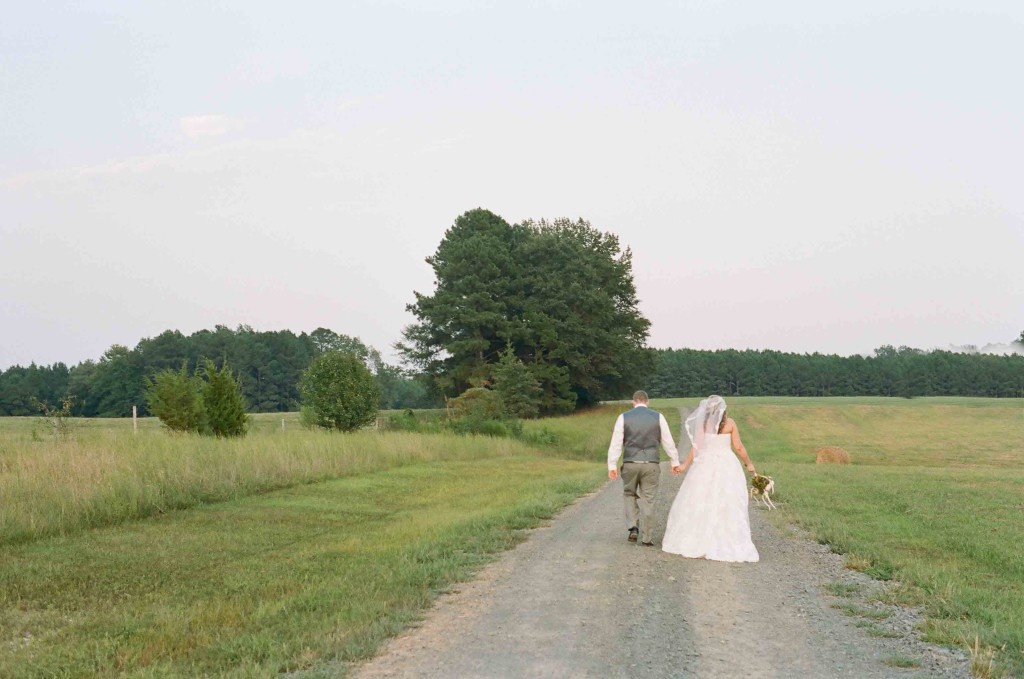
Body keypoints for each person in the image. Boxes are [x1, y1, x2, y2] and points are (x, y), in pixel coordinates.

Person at [662, 395, 760, 562]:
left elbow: (697, 446)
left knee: (701, 499)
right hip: (727, 465)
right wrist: (749, 465)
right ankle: (727, 538)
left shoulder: (704, 425)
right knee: (728, 500)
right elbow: (738, 447)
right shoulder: (730, 424)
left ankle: (699, 537)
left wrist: (685, 465)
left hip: (705, 464)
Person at [607, 390, 682, 546]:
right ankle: (647, 537)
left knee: (629, 494)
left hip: (630, 463)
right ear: (648, 402)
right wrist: (674, 461)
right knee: (648, 499)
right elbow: (667, 441)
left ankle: (633, 527)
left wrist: (612, 465)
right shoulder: (658, 417)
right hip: (651, 463)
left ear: (633, 402)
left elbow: (616, 443)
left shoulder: (623, 417)